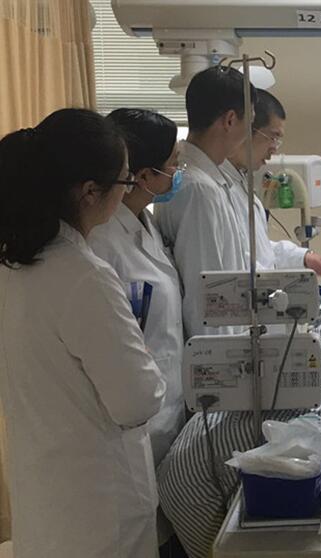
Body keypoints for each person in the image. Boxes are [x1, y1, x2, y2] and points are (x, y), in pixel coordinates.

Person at [0, 109, 166, 557]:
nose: (128, 192)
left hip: (45, 495)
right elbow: (137, 400)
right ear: (91, 191)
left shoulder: (13, 266)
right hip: (99, 506)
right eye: (126, 181)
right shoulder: (84, 276)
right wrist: (146, 359)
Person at [87, 108, 185, 467]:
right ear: (143, 176)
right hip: (134, 423)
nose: (179, 171)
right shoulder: (99, 242)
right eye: (173, 163)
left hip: (169, 409)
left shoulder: (147, 223)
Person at [154, 65, 254, 337]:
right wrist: (221, 357)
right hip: (214, 347)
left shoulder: (204, 179)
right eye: (250, 122)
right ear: (230, 120)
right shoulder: (197, 189)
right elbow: (206, 299)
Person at [221, 89, 321, 283]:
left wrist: (306, 258)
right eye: (273, 137)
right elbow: (237, 264)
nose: (275, 148)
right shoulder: (215, 189)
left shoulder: (241, 184)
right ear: (245, 130)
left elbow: (260, 251)